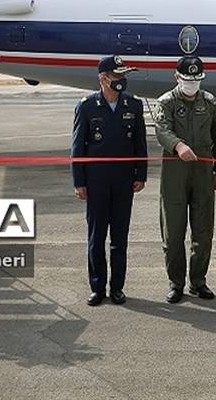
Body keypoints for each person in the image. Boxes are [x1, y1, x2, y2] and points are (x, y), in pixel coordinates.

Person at [71, 55, 148, 306]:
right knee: (96, 237)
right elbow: (77, 148)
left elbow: (140, 144)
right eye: (117, 76)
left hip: (124, 182)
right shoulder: (87, 107)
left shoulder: (133, 105)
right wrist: (79, 182)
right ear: (103, 78)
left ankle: (117, 287)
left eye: (124, 76)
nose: (122, 80)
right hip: (96, 183)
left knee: (119, 238)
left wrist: (141, 174)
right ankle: (97, 287)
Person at [152, 56, 216, 303]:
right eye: (187, 79)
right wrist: (178, 145)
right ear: (177, 77)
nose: (192, 84)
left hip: (203, 172)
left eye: (196, 80)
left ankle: (198, 281)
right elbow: (162, 130)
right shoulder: (166, 102)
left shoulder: (209, 102)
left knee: (203, 230)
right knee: (173, 231)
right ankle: (176, 283)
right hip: (176, 171)